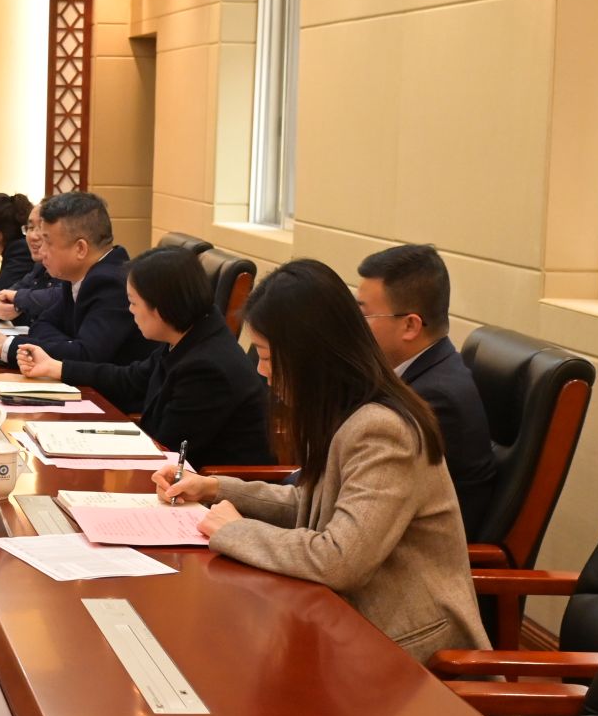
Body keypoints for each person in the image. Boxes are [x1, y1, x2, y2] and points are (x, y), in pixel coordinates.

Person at [156, 259, 489, 665]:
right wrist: (214, 488)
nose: (261, 372)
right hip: (344, 621)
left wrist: (236, 531)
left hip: (410, 651)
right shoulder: (345, 409)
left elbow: (340, 559)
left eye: (267, 356)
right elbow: (312, 504)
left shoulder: (382, 429)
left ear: (310, 355)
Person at [18, 245, 272, 466]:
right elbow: (131, 379)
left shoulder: (207, 367)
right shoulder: (189, 334)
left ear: (160, 309)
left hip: (208, 490)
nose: (130, 311)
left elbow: (169, 448)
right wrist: (55, 367)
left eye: (133, 302)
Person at [356, 243, 498, 534]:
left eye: (364, 317)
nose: (355, 327)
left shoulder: (434, 399)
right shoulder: (419, 373)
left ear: (410, 326)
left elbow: (368, 506)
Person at [0, 191, 157, 371]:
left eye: (48, 242)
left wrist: (9, 346)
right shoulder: (77, 275)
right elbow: (41, 324)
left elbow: (86, 356)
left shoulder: (111, 283)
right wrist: (68, 344)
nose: (41, 251)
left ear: (80, 249)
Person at [0, 200, 62, 322]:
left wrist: (19, 302)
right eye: (30, 227)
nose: (33, 236)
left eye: (42, 228)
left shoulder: (76, 275)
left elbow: (54, 309)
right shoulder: (39, 267)